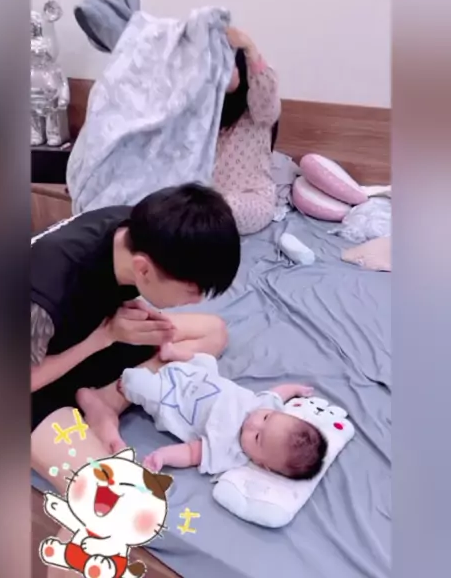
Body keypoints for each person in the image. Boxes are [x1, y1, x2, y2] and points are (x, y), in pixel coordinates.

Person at [31, 183, 240, 495]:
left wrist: (121, 317)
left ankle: (105, 403)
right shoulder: (43, 293)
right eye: (190, 292)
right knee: (108, 495)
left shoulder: (133, 229)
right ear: (143, 270)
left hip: (79, 338)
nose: (196, 301)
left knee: (213, 332)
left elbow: (95, 290)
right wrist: (104, 336)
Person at [80, 353, 327, 479]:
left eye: (257, 438)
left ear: (262, 463)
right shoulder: (266, 405)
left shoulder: (229, 452)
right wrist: (295, 389)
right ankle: (173, 353)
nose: (253, 423)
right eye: (265, 419)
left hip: (171, 398)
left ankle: (125, 385)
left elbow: (192, 453)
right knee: (206, 359)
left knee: (141, 386)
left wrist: (163, 456)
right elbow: (278, 394)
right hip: (197, 377)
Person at [213, 27, 281, 235]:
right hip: (207, 198)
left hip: (251, 199)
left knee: (216, 209)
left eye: (229, 64)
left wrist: (250, 48)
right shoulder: (208, 111)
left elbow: (265, 90)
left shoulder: (259, 112)